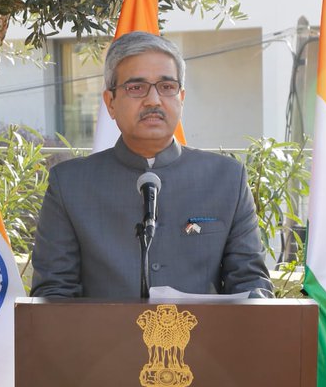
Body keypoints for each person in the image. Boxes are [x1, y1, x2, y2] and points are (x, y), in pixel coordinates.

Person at [30, 31, 273, 298]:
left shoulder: (227, 179)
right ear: (110, 102)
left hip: (204, 340)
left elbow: (252, 284)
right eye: (136, 87)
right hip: (102, 340)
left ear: (181, 98)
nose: (154, 100)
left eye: (167, 87)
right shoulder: (70, 185)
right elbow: (54, 294)